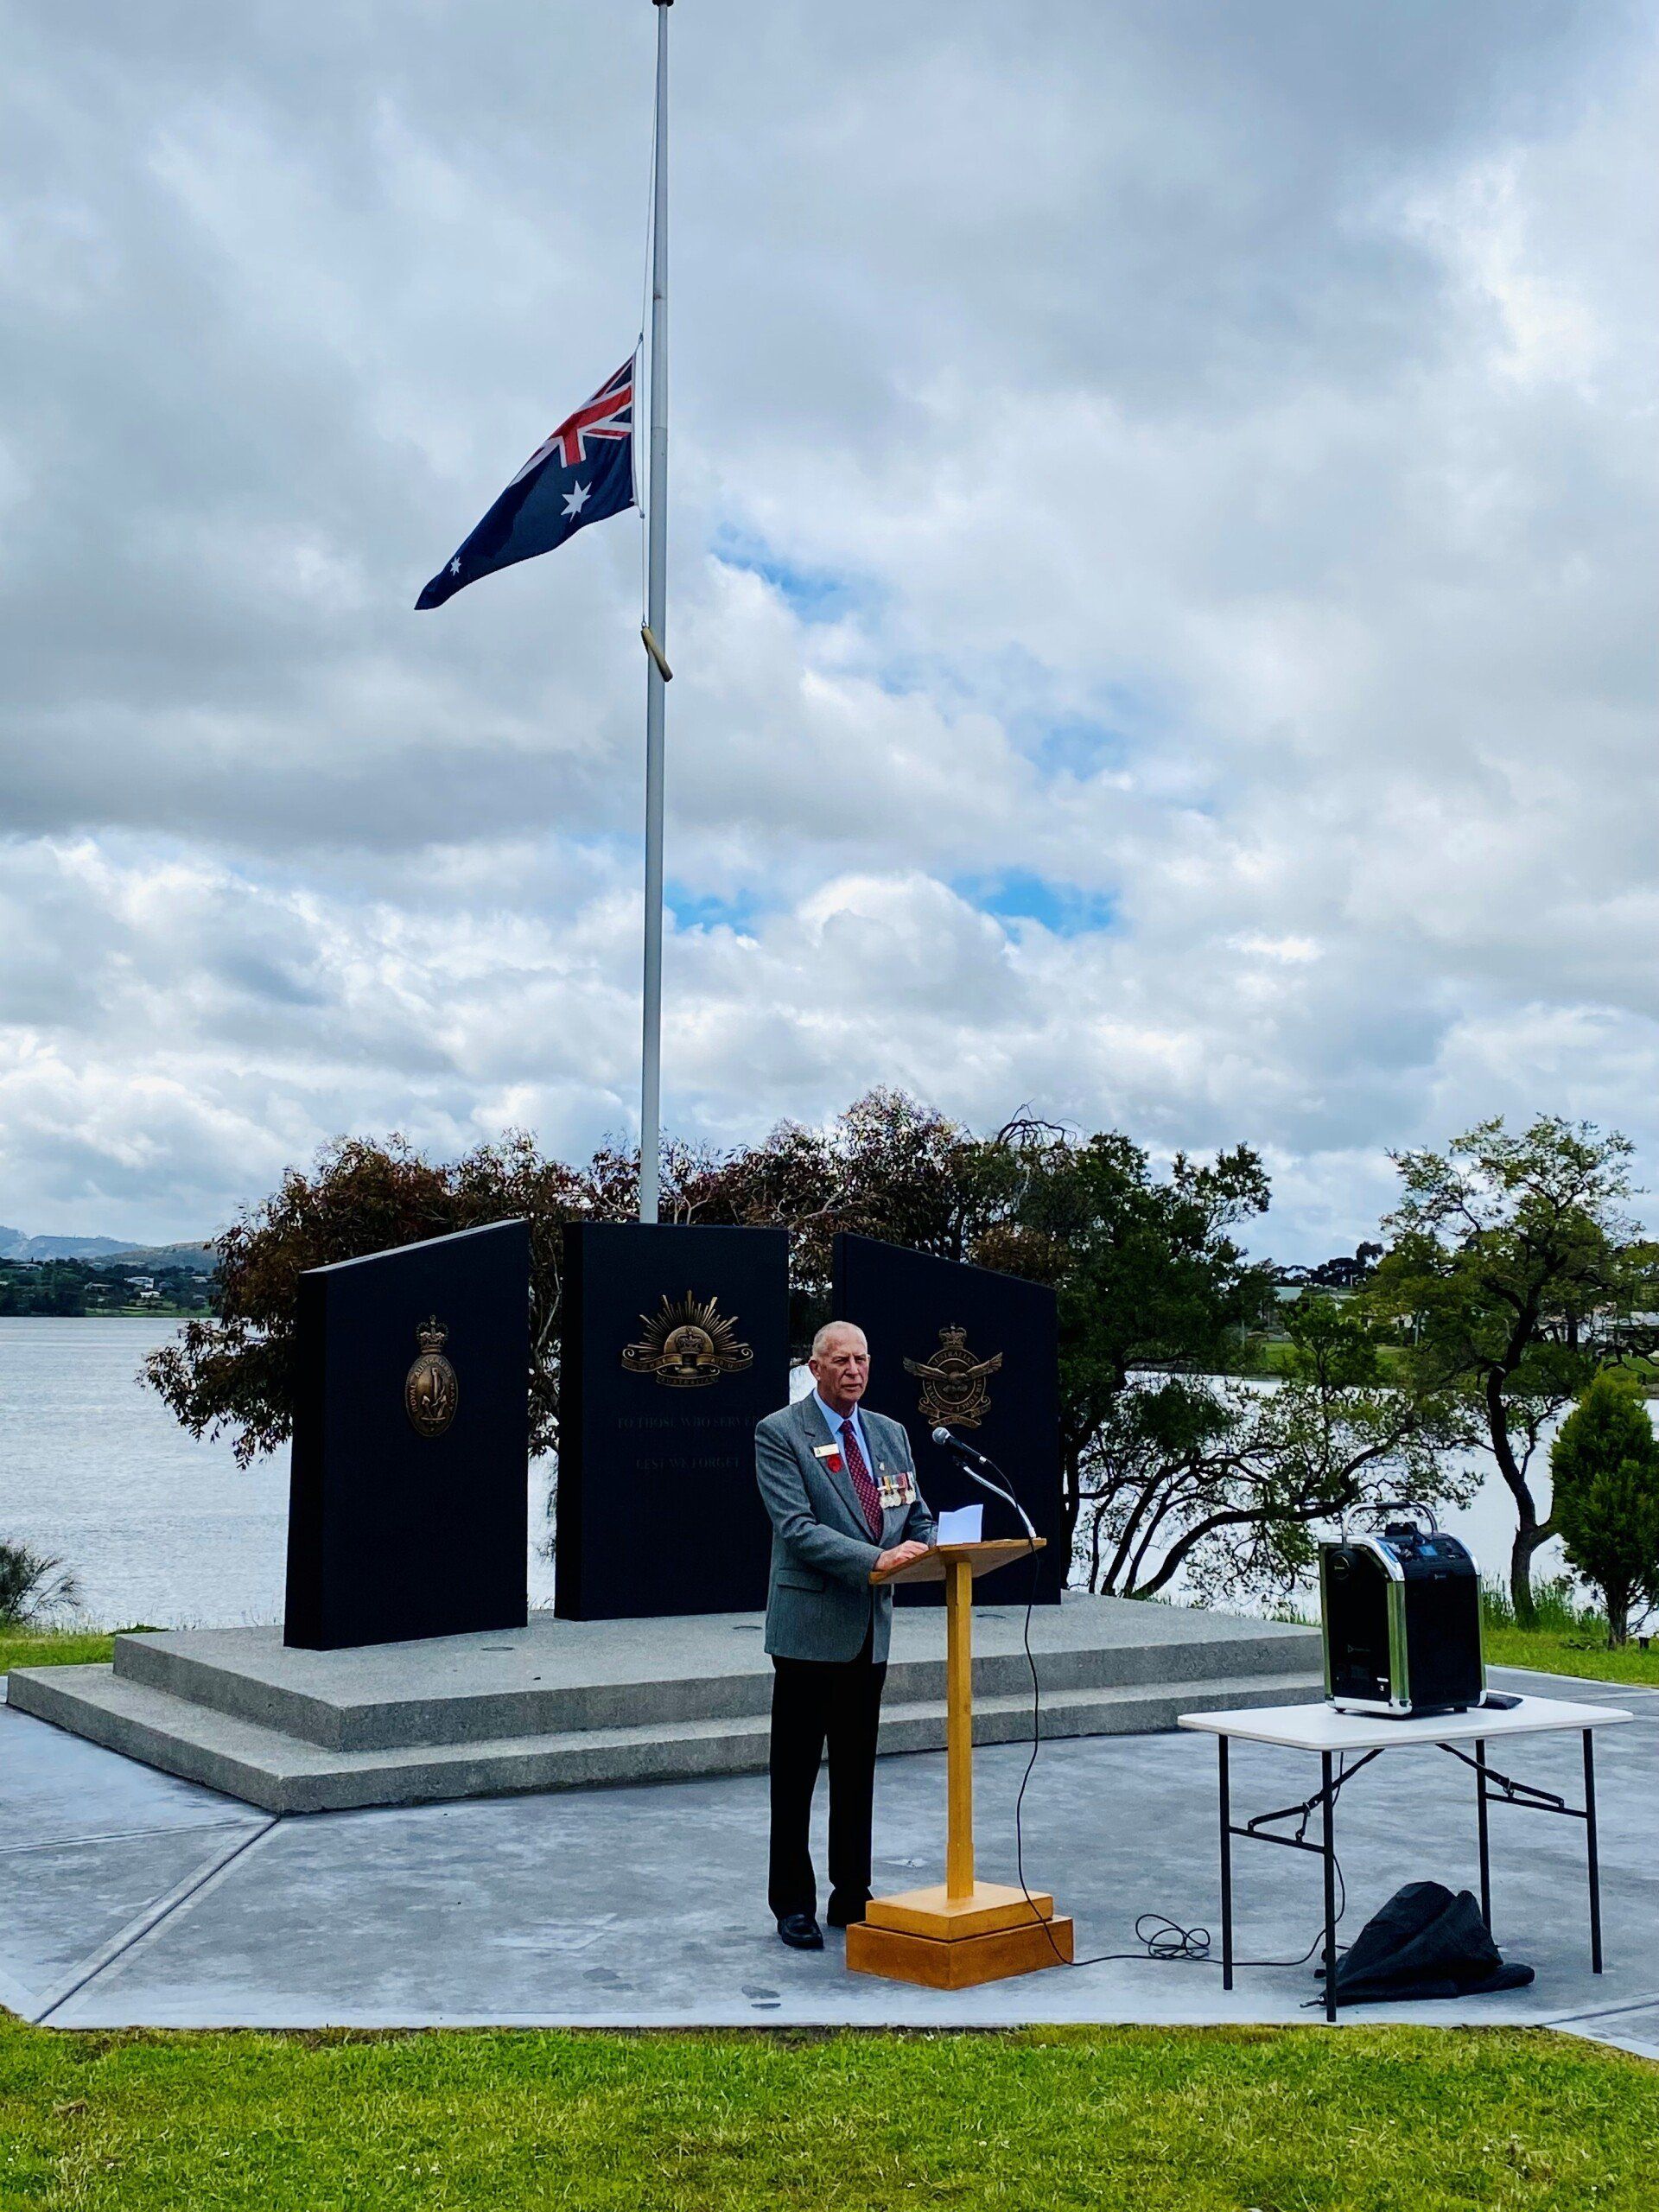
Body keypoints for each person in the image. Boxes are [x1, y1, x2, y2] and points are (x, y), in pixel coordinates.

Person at [753, 1319, 936, 1950]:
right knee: (797, 1774)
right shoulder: (781, 1434)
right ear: (815, 1367)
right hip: (808, 1631)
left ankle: (851, 1895)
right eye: (841, 1360)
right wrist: (875, 1561)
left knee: (857, 1772)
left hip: (870, 1633)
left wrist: (937, 1546)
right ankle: (792, 1904)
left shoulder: (890, 1434)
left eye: (862, 1359)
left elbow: (915, 1515)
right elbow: (797, 1528)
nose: (854, 1370)